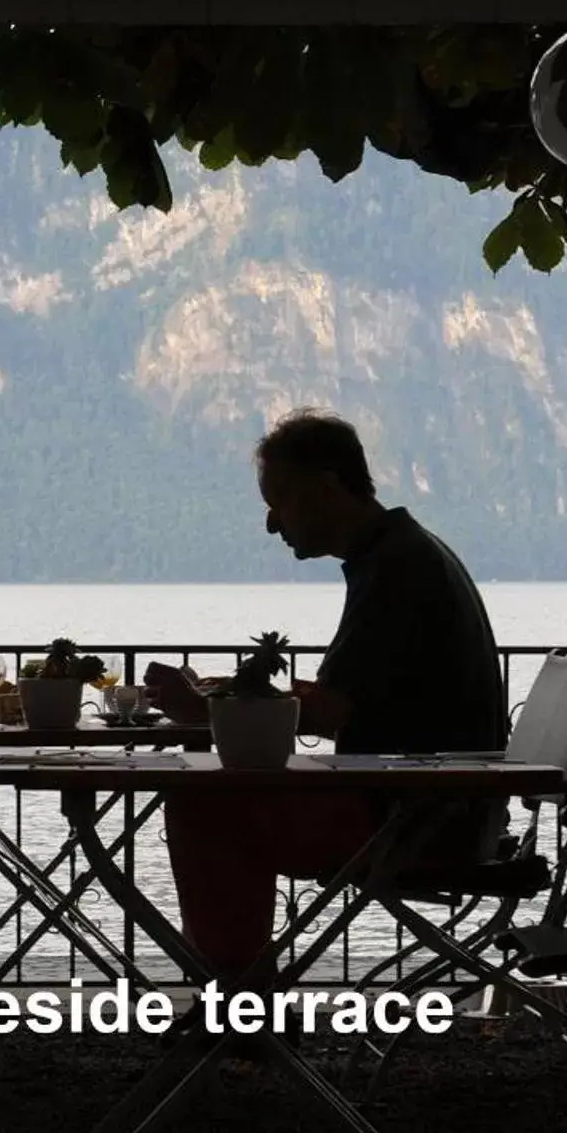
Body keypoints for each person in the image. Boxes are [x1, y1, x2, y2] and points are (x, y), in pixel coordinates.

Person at [145, 411, 506, 979]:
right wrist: (227, 697)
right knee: (215, 798)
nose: (270, 523)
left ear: (329, 485)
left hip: (415, 818)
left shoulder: (396, 569)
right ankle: (237, 993)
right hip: (444, 805)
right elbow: (351, 702)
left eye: (280, 498)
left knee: (205, 803)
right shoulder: (402, 554)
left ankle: (235, 1002)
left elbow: (331, 709)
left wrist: (209, 706)